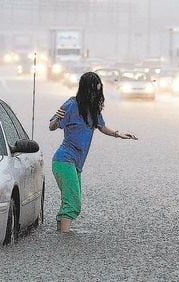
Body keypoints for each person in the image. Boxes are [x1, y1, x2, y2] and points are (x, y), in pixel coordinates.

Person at [49, 72, 137, 233]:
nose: (96, 93)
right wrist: (56, 119)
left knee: (68, 201)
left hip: (76, 163)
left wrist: (119, 134)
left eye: (98, 90)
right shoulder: (71, 105)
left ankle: (60, 235)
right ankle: (65, 240)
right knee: (73, 203)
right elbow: (52, 126)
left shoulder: (93, 109)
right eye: (93, 89)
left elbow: (102, 127)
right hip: (63, 160)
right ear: (85, 89)